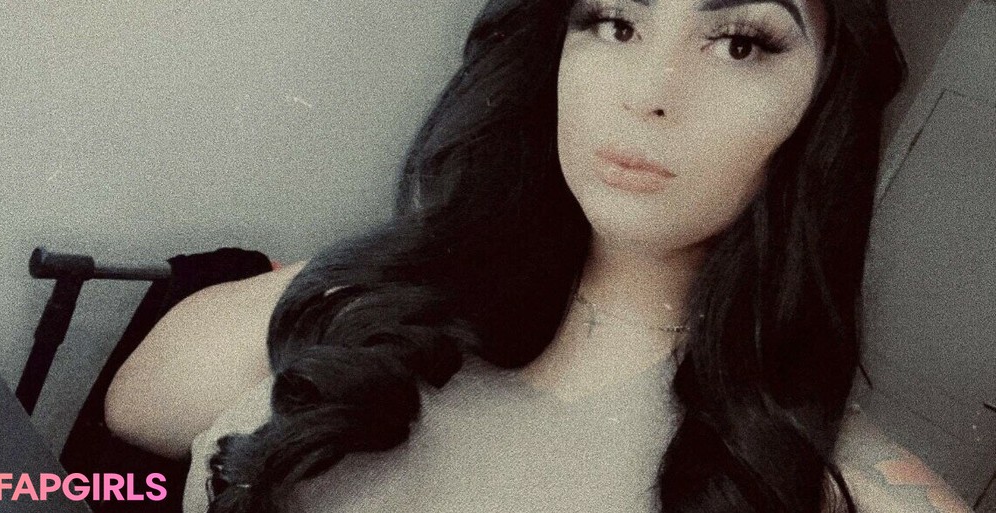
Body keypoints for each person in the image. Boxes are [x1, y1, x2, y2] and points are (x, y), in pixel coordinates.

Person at [105, 0, 977, 511]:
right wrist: (406, 261)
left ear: (826, 100)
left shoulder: (846, 484)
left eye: (740, 42)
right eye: (614, 22)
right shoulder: (380, 298)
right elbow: (137, 407)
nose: (649, 92)